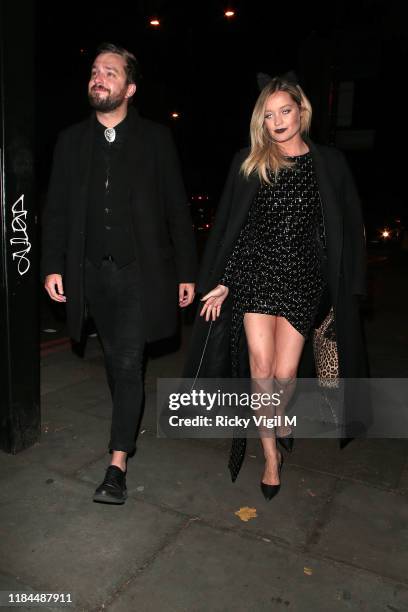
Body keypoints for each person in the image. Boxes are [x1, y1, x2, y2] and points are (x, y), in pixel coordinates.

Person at [184, 76, 368, 500]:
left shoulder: (330, 163)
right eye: (268, 115)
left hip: (305, 279)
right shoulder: (249, 161)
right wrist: (224, 282)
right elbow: (234, 229)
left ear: (302, 111)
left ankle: (279, 417)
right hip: (256, 275)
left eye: (285, 111)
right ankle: (269, 455)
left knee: (285, 375)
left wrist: (351, 286)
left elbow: (348, 227)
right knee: (262, 370)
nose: (277, 121)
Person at [42, 43, 197, 504]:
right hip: (91, 274)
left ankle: (116, 465)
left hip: (139, 274)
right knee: (116, 363)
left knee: (128, 362)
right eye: (94, 71)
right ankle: (126, 423)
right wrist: (52, 263)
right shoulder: (71, 141)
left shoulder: (154, 139)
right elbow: (57, 211)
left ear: (129, 87)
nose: (98, 77)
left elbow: (176, 208)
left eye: (110, 72)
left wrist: (186, 271)